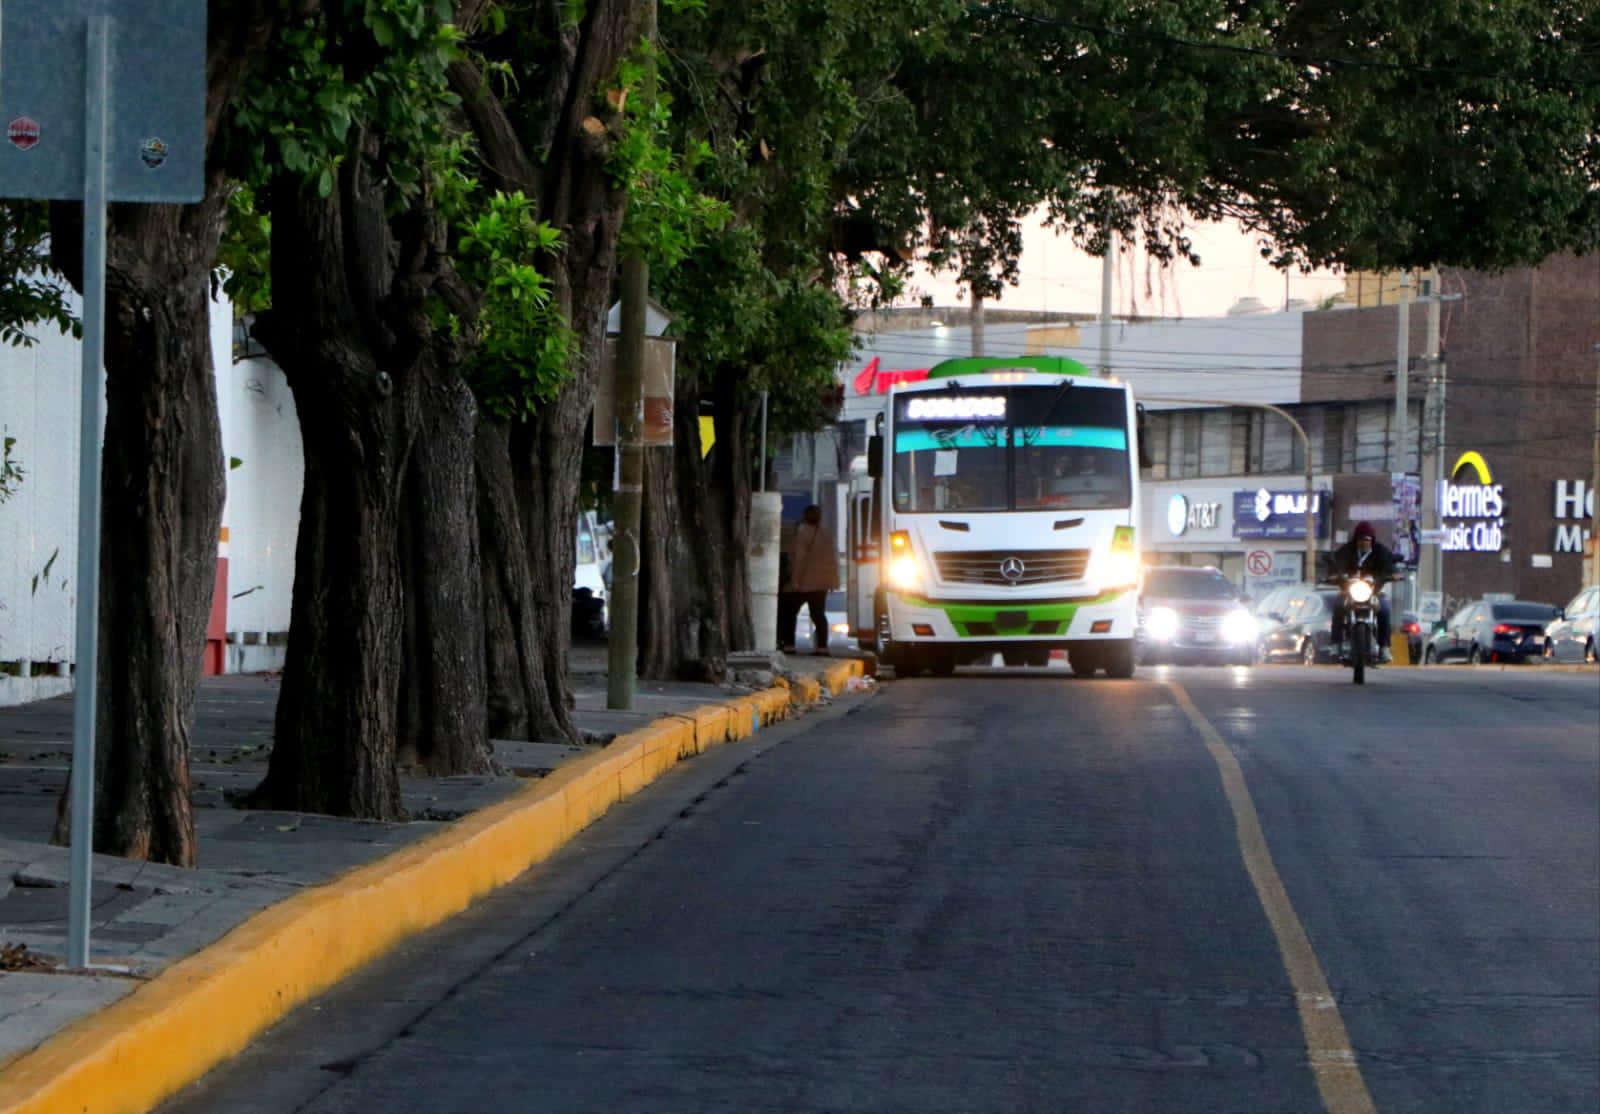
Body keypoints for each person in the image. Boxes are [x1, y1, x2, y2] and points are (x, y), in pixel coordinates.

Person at [1327, 520, 1400, 662]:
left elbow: (1389, 565)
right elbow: (1336, 563)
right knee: (1338, 606)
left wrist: (1393, 573)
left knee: (1384, 609)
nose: (1363, 542)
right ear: (1356, 540)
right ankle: (1336, 644)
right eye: (1360, 539)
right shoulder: (1347, 551)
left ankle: (1384, 647)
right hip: (1349, 591)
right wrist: (1334, 574)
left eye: (1367, 539)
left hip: (1374, 592)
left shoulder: (1381, 552)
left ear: (1372, 540)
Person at [782, 504, 839, 654]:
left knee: (789, 612)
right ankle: (822, 647)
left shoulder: (802, 533)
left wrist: (794, 580)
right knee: (818, 614)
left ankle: (789, 645)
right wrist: (834, 581)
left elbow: (799, 559)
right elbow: (833, 559)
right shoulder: (826, 534)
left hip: (804, 582)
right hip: (822, 583)